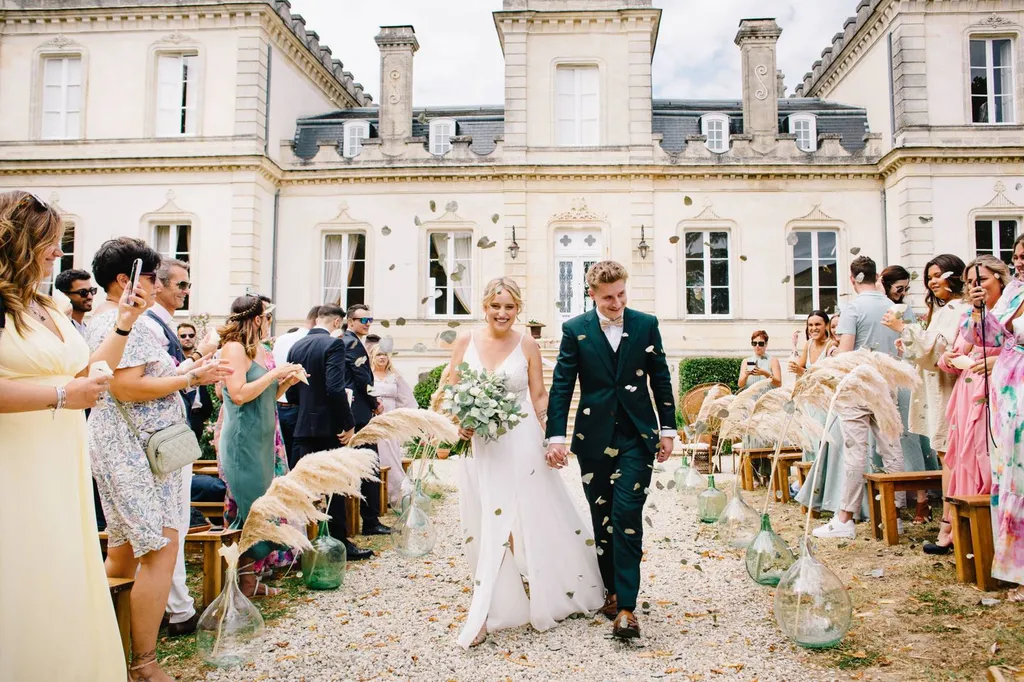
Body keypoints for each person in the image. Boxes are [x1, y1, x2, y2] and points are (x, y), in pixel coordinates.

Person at [0, 191, 149, 681]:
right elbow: (67, 384)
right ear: (16, 240)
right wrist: (64, 396)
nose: (59, 253)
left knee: (62, 566)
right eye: (50, 241)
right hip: (15, 459)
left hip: (60, 456)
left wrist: (124, 322)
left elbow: (87, 368)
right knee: (22, 564)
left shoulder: (47, 305)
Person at [86, 237, 230, 681]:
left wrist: (192, 371)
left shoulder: (107, 321)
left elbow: (139, 378)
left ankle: (101, 643)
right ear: (125, 279)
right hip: (136, 452)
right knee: (161, 549)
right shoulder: (129, 324)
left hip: (130, 447)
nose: (158, 282)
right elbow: (126, 387)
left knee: (124, 551)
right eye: (152, 275)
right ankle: (143, 664)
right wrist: (189, 380)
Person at [448, 277, 603, 648]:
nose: (502, 313)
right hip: (482, 445)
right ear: (484, 307)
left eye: (510, 307)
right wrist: (460, 421)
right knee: (486, 516)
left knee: (535, 510)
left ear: (517, 309)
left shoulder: (527, 343)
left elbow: (538, 395)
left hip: (521, 440)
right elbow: (452, 387)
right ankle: (491, 603)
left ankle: (552, 585)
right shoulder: (465, 340)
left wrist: (553, 439)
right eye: (495, 306)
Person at [546, 262, 677, 641]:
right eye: (608, 297)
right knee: (602, 516)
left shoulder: (646, 323)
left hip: (638, 436)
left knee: (626, 514)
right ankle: (611, 590)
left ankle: (627, 608)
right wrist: (556, 435)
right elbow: (562, 385)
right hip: (593, 438)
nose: (617, 303)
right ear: (592, 295)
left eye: (621, 294)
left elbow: (662, 378)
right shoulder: (575, 330)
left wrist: (667, 429)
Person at [217, 295, 304, 596]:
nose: (269, 323)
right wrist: (273, 374)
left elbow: (266, 393)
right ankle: (240, 585)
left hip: (264, 441)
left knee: (264, 510)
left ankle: (251, 582)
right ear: (257, 319)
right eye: (267, 317)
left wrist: (285, 383)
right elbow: (238, 394)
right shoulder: (234, 349)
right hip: (244, 443)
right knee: (248, 512)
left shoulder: (259, 349)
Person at [813, 256, 905, 539]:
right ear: (877, 277)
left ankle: (845, 518)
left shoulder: (852, 309)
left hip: (858, 386)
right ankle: (896, 515)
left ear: (853, 279)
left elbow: (847, 351)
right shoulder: (896, 308)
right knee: (892, 448)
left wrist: (831, 356)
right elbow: (904, 349)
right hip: (887, 384)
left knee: (856, 450)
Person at [139, 258, 207, 635]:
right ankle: (176, 607)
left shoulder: (158, 323)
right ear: (158, 284)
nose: (186, 292)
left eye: (187, 285)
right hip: (159, 437)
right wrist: (198, 363)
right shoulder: (149, 324)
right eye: (180, 285)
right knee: (171, 523)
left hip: (171, 433)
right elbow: (165, 379)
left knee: (176, 521)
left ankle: (177, 603)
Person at [924, 256, 1010, 554]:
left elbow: (1001, 342)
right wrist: (948, 359)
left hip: (995, 391)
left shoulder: (1009, 311)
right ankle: (957, 533)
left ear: (1000, 278)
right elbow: (955, 353)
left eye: (983, 280)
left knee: (985, 457)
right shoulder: (967, 315)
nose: (977, 286)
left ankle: (988, 536)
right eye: (972, 282)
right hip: (966, 392)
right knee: (961, 457)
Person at [883, 254, 968, 521]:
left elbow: (943, 346)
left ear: (953, 276)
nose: (932, 282)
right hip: (936, 387)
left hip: (950, 387)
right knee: (944, 452)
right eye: (929, 277)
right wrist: (908, 342)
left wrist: (905, 330)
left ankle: (951, 520)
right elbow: (930, 346)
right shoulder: (943, 310)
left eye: (937, 276)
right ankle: (950, 519)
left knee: (950, 453)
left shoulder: (961, 308)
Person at [286, 305, 373, 560]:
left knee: (305, 487)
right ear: (337, 322)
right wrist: (348, 424)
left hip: (302, 425)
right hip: (328, 428)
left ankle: (303, 543)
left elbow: (291, 391)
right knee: (335, 486)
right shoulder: (333, 345)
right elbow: (335, 389)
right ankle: (339, 543)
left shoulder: (297, 346)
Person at [964, 258, 1024, 601]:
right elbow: (985, 337)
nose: (1018, 264)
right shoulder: (1013, 292)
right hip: (1008, 393)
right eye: (1015, 257)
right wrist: (978, 309)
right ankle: (1015, 571)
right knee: (1011, 475)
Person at [343, 304, 389, 536]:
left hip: (355, 412)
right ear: (350, 322)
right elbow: (362, 379)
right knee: (370, 465)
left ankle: (368, 518)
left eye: (370, 319)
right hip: (359, 414)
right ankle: (370, 520)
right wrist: (375, 403)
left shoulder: (351, 342)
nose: (368, 323)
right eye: (363, 320)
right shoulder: (351, 344)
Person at [368, 345, 416, 506]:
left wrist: (405, 419)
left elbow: (406, 399)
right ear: (373, 357)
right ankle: (377, 496)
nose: (382, 358)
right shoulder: (368, 375)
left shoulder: (395, 376)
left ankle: (395, 494)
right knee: (377, 456)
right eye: (379, 354)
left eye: (385, 355)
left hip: (392, 420)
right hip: (373, 420)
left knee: (392, 456)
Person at [272, 305, 321, 464]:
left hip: (278, 403)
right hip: (301, 406)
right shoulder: (314, 341)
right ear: (318, 320)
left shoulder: (282, 339)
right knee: (299, 461)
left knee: (281, 459)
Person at [178, 322, 214, 444]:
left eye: (191, 335)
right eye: (183, 336)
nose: (187, 338)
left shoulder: (204, 360)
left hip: (196, 415)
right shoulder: (175, 361)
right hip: (180, 415)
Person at [54, 268, 96, 335]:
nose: (90, 296)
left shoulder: (86, 328)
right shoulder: (61, 329)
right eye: (83, 292)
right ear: (64, 295)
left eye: (92, 290)